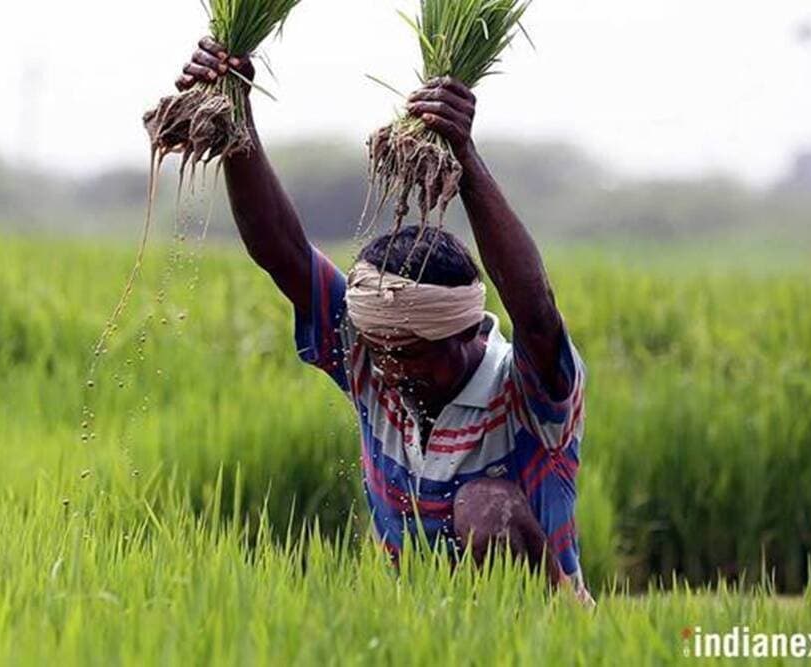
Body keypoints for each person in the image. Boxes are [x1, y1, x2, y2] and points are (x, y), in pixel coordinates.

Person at [175, 37, 589, 601]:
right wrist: (234, 115)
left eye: (414, 355)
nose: (393, 371)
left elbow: (536, 311)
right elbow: (283, 252)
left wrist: (464, 158)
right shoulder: (372, 356)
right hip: (410, 632)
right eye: (381, 350)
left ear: (468, 332)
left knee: (481, 506)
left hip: (538, 636)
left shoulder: (528, 392)